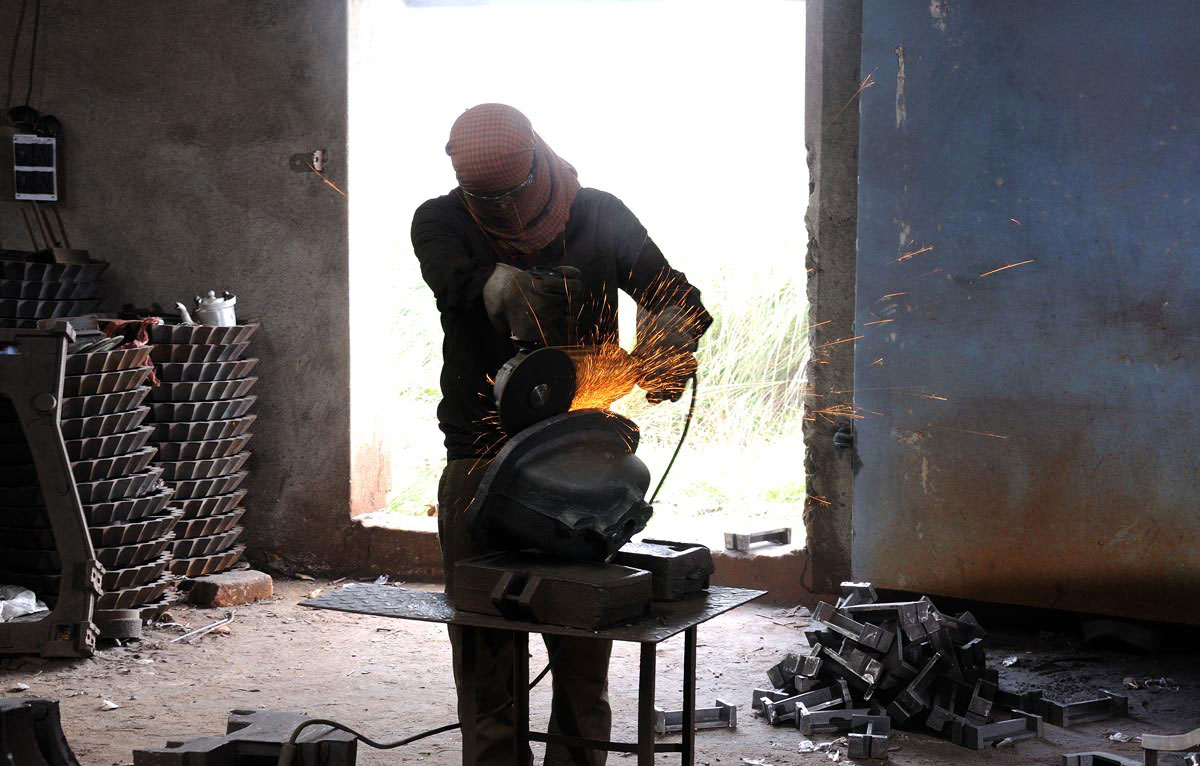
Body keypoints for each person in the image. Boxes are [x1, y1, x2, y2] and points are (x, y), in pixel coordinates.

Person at [411, 103, 712, 766]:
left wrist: (670, 332)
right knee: (486, 652)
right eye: (489, 200)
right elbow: (459, 282)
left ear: (540, 162)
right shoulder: (440, 221)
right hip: (481, 463)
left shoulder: (599, 213)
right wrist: (503, 289)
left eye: (515, 194)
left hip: (583, 462)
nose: (505, 210)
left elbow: (673, 292)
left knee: (582, 647)